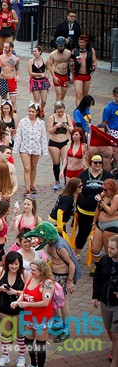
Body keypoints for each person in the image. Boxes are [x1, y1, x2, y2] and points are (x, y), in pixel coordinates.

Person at [11, 259, 54, 367]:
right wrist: (18, 301)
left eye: (34, 270)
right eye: (31, 269)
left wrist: (27, 304)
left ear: (42, 271)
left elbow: (45, 302)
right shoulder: (31, 277)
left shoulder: (47, 283)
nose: (31, 272)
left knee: (40, 345)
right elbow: (25, 292)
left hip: (41, 318)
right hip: (29, 317)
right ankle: (33, 363)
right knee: (28, 341)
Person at [0, 251, 27, 367]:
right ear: (7, 263)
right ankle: (5, 356)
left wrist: (16, 292)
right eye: (11, 264)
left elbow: (29, 292)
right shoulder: (1, 271)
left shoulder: (24, 274)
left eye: (16, 264)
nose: (14, 266)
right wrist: (1, 288)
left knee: (20, 334)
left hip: (20, 308)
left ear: (20, 264)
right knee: (5, 333)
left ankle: (21, 356)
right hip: (4, 306)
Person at [76, 155, 112, 253]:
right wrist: (74, 206)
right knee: (83, 233)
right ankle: (77, 253)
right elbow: (76, 191)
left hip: (101, 212)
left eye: (100, 162)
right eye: (95, 162)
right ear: (90, 162)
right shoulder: (83, 175)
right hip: (84, 211)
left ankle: (98, 255)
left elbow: (112, 192)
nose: (97, 164)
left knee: (100, 234)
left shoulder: (107, 176)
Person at [92, 235, 118, 367]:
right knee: (109, 329)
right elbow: (97, 278)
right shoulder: (105, 260)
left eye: (112, 248)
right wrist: (95, 296)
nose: (109, 250)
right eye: (108, 247)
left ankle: (114, 361)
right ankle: (115, 348)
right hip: (105, 302)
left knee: (116, 333)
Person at [13, 103, 48, 195]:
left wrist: (44, 150)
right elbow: (19, 135)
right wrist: (16, 148)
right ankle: (27, 188)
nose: (31, 113)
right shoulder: (23, 121)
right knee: (27, 168)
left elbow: (43, 137)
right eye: (29, 111)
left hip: (36, 148)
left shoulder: (41, 123)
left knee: (33, 167)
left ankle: (32, 184)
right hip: (24, 148)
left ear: (36, 112)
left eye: (33, 112)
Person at [91, 179, 118, 266]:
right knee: (95, 249)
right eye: (103, 189)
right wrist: (94, 223)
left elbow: (110, 211)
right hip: (100, 224)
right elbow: (97, 210)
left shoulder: (116, 197)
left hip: (111, 225)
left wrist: (100, 201)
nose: (104, 191)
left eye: (106, 190)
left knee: (108, 250)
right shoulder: (103, 196)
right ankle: (99, 265)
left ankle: (109, 267)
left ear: (112, 189)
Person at [72, 35, 97, 107]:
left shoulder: (91, 51)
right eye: (79, 42)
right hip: (78, 75)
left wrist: (93, 69)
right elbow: (70, 63)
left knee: (85, 96)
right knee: (78, 95)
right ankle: (78, 111)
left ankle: (84, 110)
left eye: (82, 42)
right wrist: (75, 63)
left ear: (86, 42)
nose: (81, 44)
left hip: (87, 75)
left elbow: (94, 62)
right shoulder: (75, 51)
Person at [47, 36, 72, 102]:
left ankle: (58, 106)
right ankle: (57, 109)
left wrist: (73, 76)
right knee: (59, 94)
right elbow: (49, 65)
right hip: (57, 75)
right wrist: (54, 76)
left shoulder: (68, 53)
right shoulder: (53, 54)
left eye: (62, 46)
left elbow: (71, 65)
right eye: (59, 46)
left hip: (65, 75)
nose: (60, 48)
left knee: (63, 95)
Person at [28, 46, 50, 118]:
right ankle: (37, 114)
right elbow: (30, 73)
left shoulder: (44, 60)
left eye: (35, 51)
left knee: (44, 100)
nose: (34, 53)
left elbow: (48, 68)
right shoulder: (31, 61)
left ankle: (41, 109)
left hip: (43, 81)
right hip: (34, 81)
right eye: (33, 51)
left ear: (40, 52)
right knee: (36, 100)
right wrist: (40, 74)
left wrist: (47, 74)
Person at [0, 42, 19, 109]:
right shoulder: (0, 58)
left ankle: (14, 116)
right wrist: (0, 72)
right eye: (4, 47)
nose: (4, 49)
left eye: (6, 47)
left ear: (11, 48)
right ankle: (3, 116)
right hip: (3, 80)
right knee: (3, 100)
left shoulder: (16, 59)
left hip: (11, 79)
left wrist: (18, 76)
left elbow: (17, 69)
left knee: (13, 101)